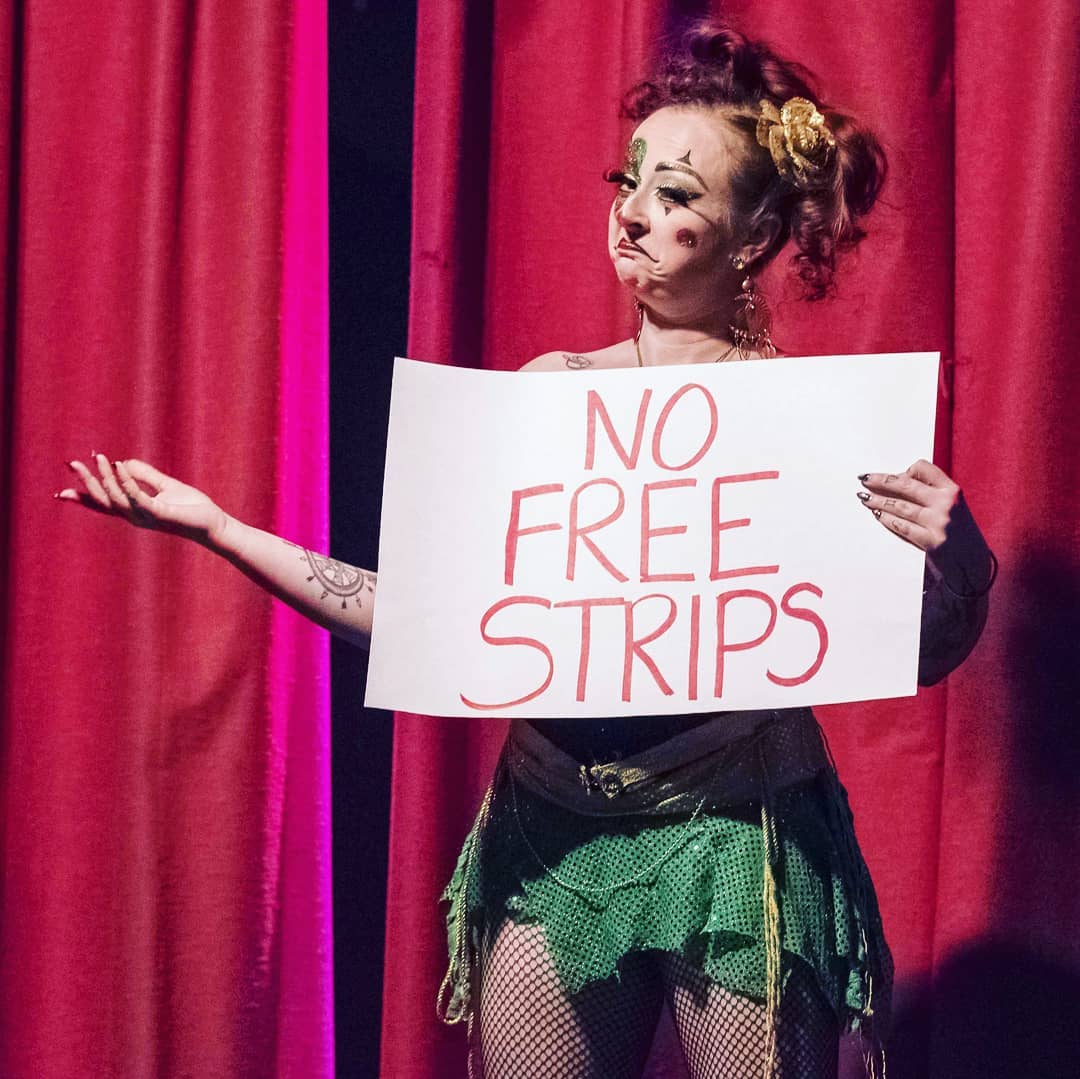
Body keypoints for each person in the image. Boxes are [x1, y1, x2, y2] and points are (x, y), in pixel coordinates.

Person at [58, 23, 995, 1079]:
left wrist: (961, 564)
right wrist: (221, 529)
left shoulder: (804, 421)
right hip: (553, 828)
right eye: (628, 180)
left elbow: (898, 652)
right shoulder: (551, 391)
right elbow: (430, 619)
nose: (634, 213)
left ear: (755, 230)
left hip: (734, 829)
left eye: (679, 195)